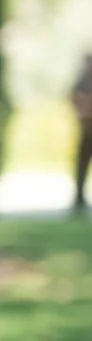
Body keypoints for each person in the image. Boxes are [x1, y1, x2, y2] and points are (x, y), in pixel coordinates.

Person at [72, 53, 92, 218]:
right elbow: (73, 99)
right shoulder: (80, 83)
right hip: (86, 129)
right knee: (81, 164)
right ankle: (79, 198)